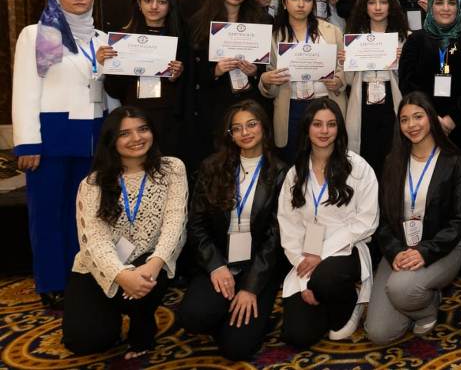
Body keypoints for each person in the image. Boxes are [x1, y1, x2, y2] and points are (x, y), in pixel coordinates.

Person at [12, 0, 116, 306]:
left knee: (87, 214)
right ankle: (52, 282)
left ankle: (82, 278)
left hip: (94, 137)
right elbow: (26, 89)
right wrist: (28, 142)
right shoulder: (39, 34)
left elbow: (110, 91)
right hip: (52, 138)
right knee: (48, 213)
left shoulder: (102, 38)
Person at [62, 106, 188, 360]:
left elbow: (176, 224)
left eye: (143, 129)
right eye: (124, 133)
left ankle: (142, 324)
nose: (136, 138)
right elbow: (95, 241)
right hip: (100, 265)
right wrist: (121, 275)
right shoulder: (92, 183)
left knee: (144, 287)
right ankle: (113, 313)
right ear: (111, 140)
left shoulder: (172, 169)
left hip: (149, 261)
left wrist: (153, 266)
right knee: (85, 341)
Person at [178, 101, 287, 360]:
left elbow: (275, 237)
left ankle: (244, 311)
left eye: (251, 124)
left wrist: (250, 287)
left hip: (257, 268)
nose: (245, 132)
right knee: (193, 317)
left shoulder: (281, 172)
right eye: (237, 128)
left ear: (264, 127)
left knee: (236, 349)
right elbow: (196, 224)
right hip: (219, 263)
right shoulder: (212, 167)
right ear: (230, 134)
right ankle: (225, 308)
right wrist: (215, 265)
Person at [365, 93, 461, 343]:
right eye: (404, 120)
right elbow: (382, 218)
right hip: (400, 248)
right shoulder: (392, 161)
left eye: (418, 117)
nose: (411, 125)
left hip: (441, 248)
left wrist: (424, 252)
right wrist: (395, 252)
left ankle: (427, 308)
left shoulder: (457, 162)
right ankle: (413, 300)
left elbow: (460, 221)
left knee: (401, 289)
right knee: (380, 333)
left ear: (431, 118)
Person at [277, 98, 379, 346]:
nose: (324, 131)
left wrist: (321, 254)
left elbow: (367, 221)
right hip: (306, 257)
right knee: (297, 336)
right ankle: (325, 302)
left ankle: (352, 302)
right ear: (307, 128)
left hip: (347, 250)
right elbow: (288, 226)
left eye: (331, 124)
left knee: (325, 279)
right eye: (317, 124)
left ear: (339, 128)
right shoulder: (295, 173)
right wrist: (304, 274)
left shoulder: (358, 167)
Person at [189, 0, 273, 170]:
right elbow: (192, 72)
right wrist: (215, 71)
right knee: (220, 163)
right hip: (216, 105)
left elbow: (269, 67)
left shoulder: (262, 21)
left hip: (252, 102)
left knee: (253, 160)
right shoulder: (199, 22)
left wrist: (255, 72)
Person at [258, 0, 346, 164]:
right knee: (294, 163)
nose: (301, 4)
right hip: (291, 109)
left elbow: (344, 67)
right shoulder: (275, 36)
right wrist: (266, 80)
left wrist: (338, 80)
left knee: (329, 162)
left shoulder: (331, 31)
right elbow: (270, 90)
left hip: (326, 104)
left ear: (313, 4)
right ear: (284, 2)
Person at [103, 0, 189, 160]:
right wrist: (108, 64)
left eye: (162, 1)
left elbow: (192, 90)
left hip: (171, 120)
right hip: (134, 117)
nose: (154, 6)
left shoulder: (184, 40)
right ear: (139, 4)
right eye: (148, 0)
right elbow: (113, 90)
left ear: (170, 6)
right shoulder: (123, 39)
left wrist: (177, 77)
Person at [399, 0, 461, 157]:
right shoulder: (415, 41)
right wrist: (431, 118)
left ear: (458, 7)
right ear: (430, 6)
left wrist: (453, 119)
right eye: (439, 3)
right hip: (423, 126)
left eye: (451, 3)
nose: (446, 8)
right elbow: (407, 83)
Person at [339, 0, 409, 178]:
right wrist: (346, 63)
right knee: (364, 155)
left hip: (392, 101)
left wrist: (401, 62)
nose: (378, 7)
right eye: (372, 2)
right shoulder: (354, 38)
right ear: (365, 6)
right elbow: (348, 82)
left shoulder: (404, 38)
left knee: (392, 156)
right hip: (362, 102)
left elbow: (408, 81)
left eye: (383, 2)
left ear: (391, 6)